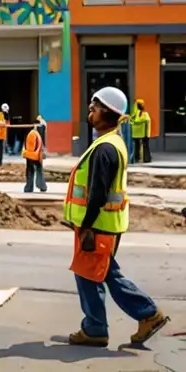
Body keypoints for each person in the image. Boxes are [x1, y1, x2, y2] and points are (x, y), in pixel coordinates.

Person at [65, 87, 169, 347]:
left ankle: (140, 316)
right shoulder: (112, 143)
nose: (90, 110)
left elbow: (97, 194)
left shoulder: (105, 148)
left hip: (98, 225)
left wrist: (86, 225)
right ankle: (98, 326)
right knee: (97, 273)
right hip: (106, 224)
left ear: (109, 113)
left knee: (96, 274)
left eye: (95, 107)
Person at [22, 121, 47, 193]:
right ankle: (42, 186)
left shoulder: (32, 134)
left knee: (30, 171)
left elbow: (30, 148)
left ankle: (29, 188)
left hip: (31, 155)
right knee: (39, 171)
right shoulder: (37, 134)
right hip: (36, 155)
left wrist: (28, 155)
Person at [130, 100, 151, 164]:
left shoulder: (134, 115)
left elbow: (132, 121)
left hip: (136, 132)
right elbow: (147, 121)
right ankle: (146, 159)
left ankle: (137, 158)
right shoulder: (144, 114)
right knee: (145, 145)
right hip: (143, 132)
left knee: (137, 145)